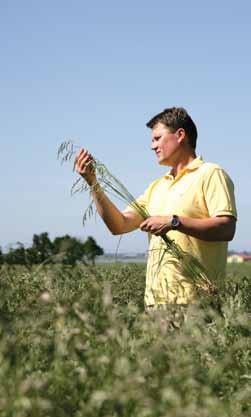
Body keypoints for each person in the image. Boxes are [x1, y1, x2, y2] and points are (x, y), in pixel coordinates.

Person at [75, 107, 237, 311]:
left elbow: (226, 228)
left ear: (180, 135)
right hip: (156, 304)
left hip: (196, 303)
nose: (152, 146)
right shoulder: (156, 187)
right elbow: (119, 225)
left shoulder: (211, 173)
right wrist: (93, 184)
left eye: (157, 138)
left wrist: (174, 222)